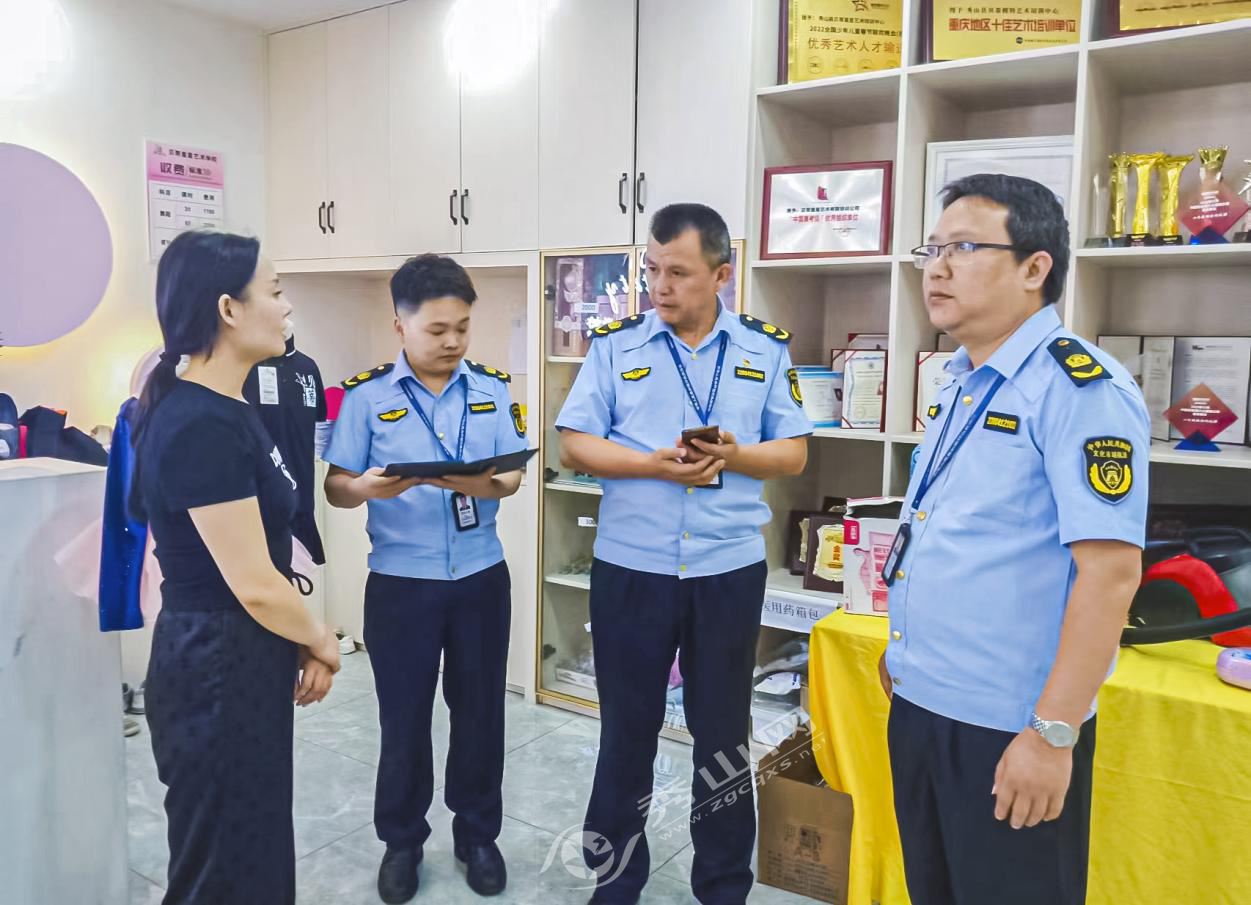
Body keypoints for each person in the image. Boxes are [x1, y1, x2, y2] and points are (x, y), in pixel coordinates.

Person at [882, 174, 1149, 905]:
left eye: (963, 248)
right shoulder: (962, 380)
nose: (936, 268)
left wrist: (1052, 734)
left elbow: (1110, 575)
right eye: (932, 250)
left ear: (1035, 268)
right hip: (923, 702)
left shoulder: (1079, 389)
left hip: (1008, 727)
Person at [556, 203, 812, 905]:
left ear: (722, 275)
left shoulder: (763, 349)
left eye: (677, 272)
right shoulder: (615, 348)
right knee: (626, 729)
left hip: (726, 571)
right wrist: (651, 465)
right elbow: (574, 443)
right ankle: (615, 879)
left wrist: (734, 454)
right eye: (651, 270)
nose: (659, 286)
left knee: (722, 733)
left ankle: (723, 885)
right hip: (631, 569)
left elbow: (792, 452)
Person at [130, 230, 342, 905]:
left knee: (252, 845)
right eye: (275, 292)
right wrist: (320, 637)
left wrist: (294, 636)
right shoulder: (199, 423)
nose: (286, 307)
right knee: (220, 867)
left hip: (242, 653)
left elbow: (262, 562)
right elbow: (251, 582)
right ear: (228, 308)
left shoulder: (227, 406)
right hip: (214, 664)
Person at [323, 254, 527, 904]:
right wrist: (366, 487)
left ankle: (477, 836)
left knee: (480, 714)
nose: (452, 341)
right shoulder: (366, 397)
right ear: (400, 325)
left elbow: (510, 476)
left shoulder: (491, 390)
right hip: (400, 585)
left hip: (480, 579)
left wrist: (473, 481)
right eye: (437, 329)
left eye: (462, 327)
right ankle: (402, 841)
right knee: (404, 718)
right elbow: (336, 487)